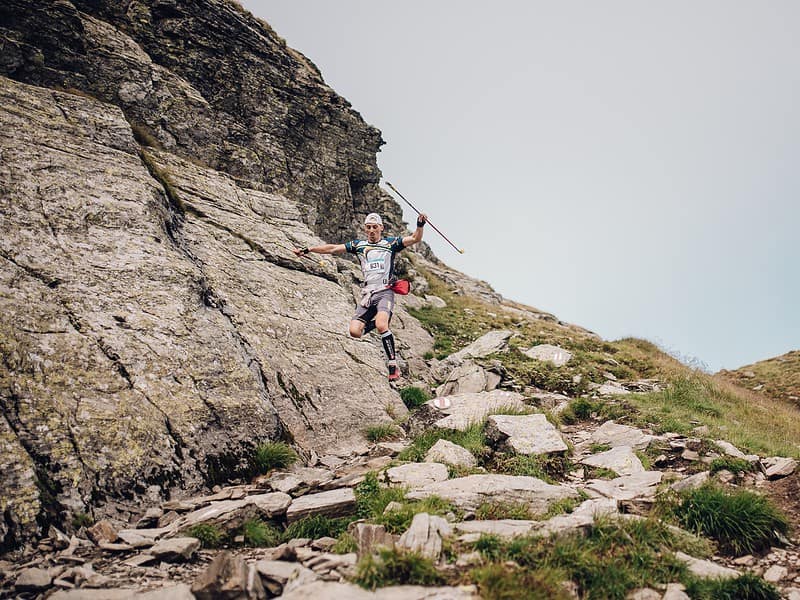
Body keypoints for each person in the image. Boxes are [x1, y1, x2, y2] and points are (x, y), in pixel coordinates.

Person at [293, 212, 427, 381]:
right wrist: (309, 249)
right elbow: (333, 248)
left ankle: (393, 364)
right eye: (368, 227)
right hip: (368, 294)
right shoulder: (359, 245)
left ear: (381, 228)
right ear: (365, 229)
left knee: (381, 325)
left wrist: (420, 225)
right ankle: (380, 321)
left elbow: (415, 238)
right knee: (355, 331)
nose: (371, 230)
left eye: (375, 227)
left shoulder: (391, 243)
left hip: (385, 291)